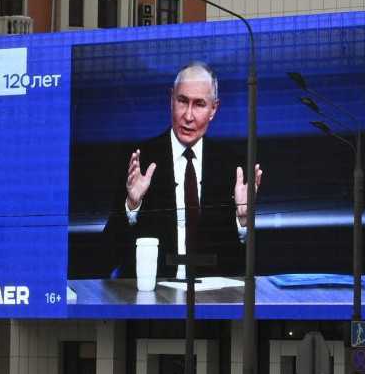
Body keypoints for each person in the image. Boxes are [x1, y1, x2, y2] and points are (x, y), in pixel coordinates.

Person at [100, 61, 263, 283]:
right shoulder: (140, 159)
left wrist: (243, 220)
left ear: (214, 109)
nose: (188, 115)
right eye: (182, 101)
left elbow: (248, 265)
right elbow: (107, 253)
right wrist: (131, 206)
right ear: (171, 99)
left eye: (199, 104)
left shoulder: (233, 167)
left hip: (213, 305)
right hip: (153, 304)